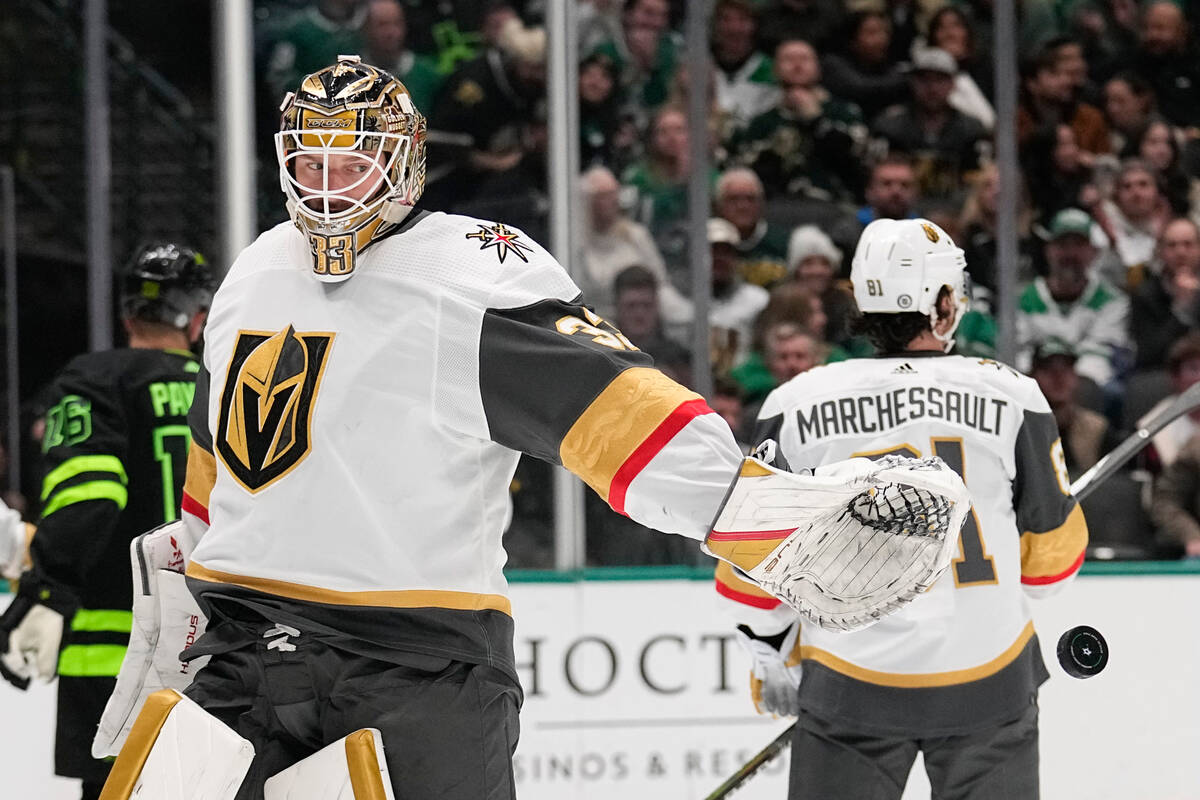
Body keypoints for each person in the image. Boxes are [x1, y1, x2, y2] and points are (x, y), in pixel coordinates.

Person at [91, 57, 967, 799]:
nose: (324, 188)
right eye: (308, 163)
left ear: (402, 164)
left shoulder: (467, 275)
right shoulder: (254, 269)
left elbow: (619, 412)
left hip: (413, 663)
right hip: (244, 647)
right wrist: (190, 558)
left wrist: (770, 519)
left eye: (349, 164)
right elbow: (220, 445)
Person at [718, 217, 1088, 800]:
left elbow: (749, 569)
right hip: (990, 680)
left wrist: (769, 655)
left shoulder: (796, 401)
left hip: (850, 684)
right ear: (943, 303)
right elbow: (1050, 574)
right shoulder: (1013, 395)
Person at [0, 244, 211, 800]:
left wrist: (47, 587)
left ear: (126, 317)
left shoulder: (96, 379)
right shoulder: (232, 391)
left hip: (116, 655)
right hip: (218, 648)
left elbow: (89, 496)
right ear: (199, 319)